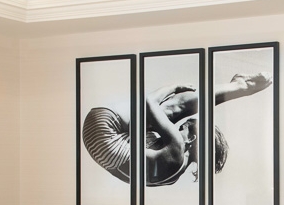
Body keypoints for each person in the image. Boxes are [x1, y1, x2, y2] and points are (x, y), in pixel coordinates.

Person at [81, 72, 272, 186]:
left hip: (103, 128)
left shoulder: (178, 147)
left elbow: (150, 102)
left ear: (193, 139)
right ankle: (233, 88)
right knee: (161, 122)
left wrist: (173, 87)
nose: (180, 127)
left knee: (174, 109)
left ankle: (240, 86)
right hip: (105, 154)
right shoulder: (174, 175)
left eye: (185, 127)